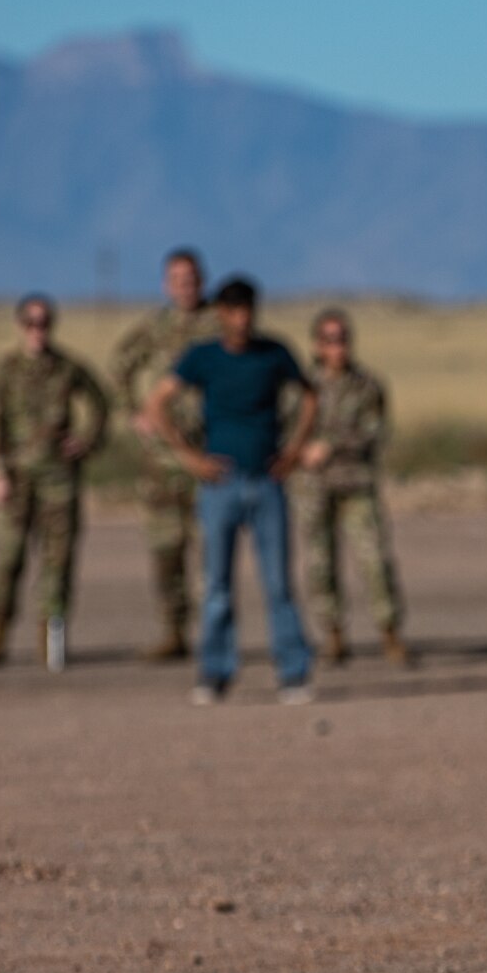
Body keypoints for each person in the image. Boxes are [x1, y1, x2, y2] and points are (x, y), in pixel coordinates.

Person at [145, 277, 319, 704]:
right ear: (221, 313)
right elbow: (157, 402)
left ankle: (293, 672)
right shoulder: (203, 357)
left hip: (267, 480)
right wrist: (189, 457)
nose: (242, 319)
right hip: (219, 483)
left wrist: (294, 449)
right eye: (234, 311)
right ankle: (215, 671)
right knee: (217, 583)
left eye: (248, 311)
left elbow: (310, 395)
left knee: (278, 581)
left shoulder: (274, 353)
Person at [0, 294, 109, 669]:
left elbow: (100, 404)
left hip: (59, 481)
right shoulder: (4, 371)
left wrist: (87, 441)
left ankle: (50, 644)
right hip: (18, 480)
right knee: (8, 560)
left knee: (58, 563)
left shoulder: (67, 368)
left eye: (44, 323)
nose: (38, 331)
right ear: (20, 326)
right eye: (31, 323)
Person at [110, 249, 220, 661]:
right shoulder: (154, 329)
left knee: (213, 552)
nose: (184, 286)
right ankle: (173, 631)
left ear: (202, 281)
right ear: (165, 285)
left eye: (191, 279)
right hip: (162, 461)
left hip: (209, 453)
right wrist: (134, 413)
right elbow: (119, 366)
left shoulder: (219, 324)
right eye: (176, 279)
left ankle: (214, 633)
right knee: (165, 550)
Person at [296, 307, 411, 666]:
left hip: (356, 484)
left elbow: (374, 431)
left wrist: (330, 445)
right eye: (329, 340)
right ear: (317, 344)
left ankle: (389, 632)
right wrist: (299, 450)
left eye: (342, 339)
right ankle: (333, 635)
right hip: (313, 488)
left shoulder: (366, 386)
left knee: (374, 560)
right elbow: (286, 429)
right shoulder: (301, 387)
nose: (337, 347)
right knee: (320, 563)